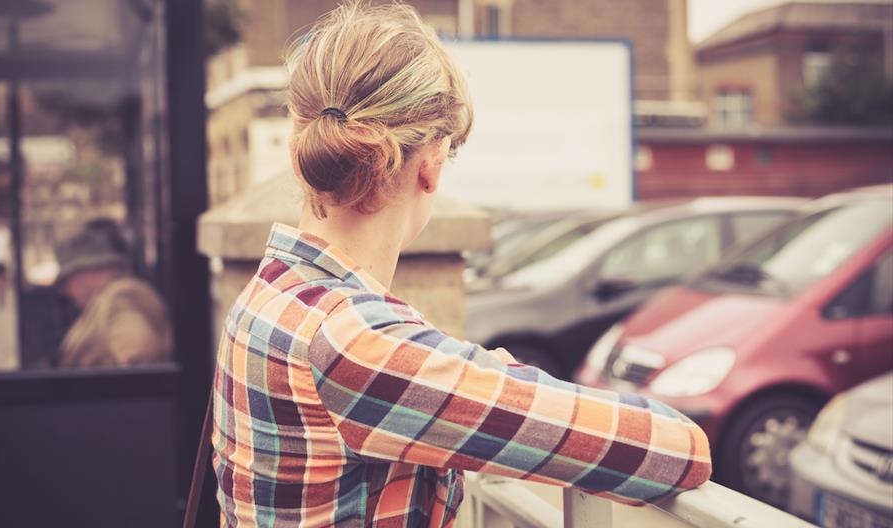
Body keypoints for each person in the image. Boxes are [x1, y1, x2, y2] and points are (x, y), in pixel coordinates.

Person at [210, 3, 712, 527]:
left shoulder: (267, 295)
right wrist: (498, 377)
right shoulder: (352, 343)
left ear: (297, 153)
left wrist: (472, 378)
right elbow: (675, 450)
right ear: (430, 165)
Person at [55, 219, 172, 368]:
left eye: (67, 281)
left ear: (89, 272)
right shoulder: (108, 299)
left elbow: (139, 357)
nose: (66, 291)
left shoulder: (123, 297)